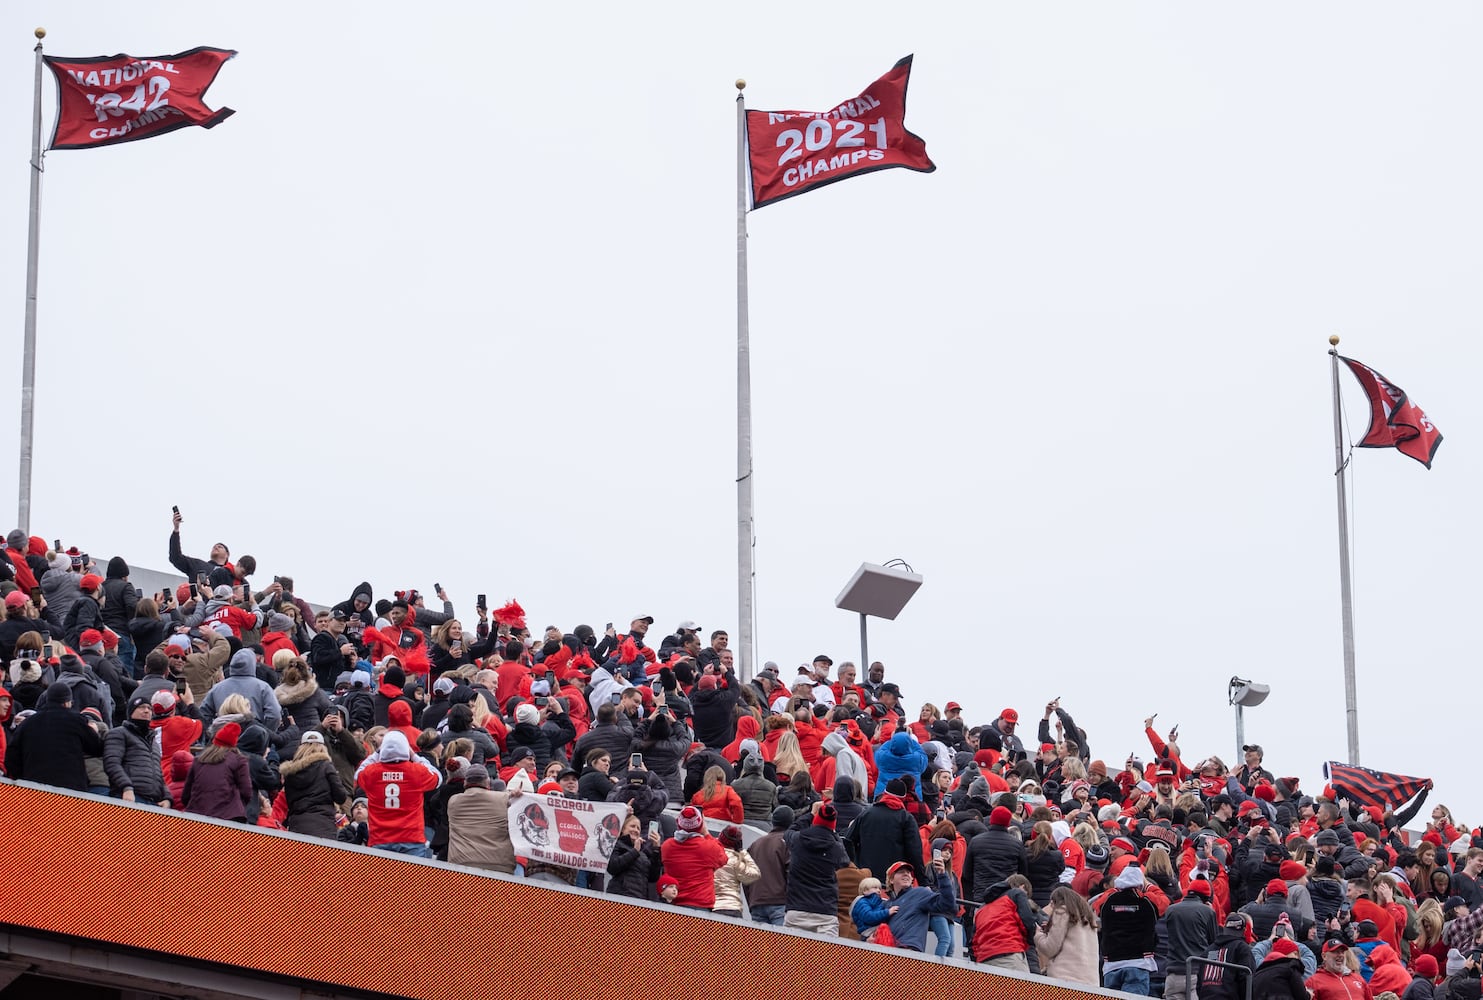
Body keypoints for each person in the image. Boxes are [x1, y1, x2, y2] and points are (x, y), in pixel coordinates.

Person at [354, 730, 443, 857]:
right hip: (411, 838)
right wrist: (415, 756)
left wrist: (376, 754)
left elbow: (358, 774)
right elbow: (438, 777)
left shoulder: (372, 773)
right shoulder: (415, 772)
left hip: (380, 838)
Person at [4, 680, 103, 791]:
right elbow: (97, 749)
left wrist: (23, 778)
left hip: (34, 789)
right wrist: (93, 731)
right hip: (71, 789)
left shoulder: (28, 723)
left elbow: (11, 757)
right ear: (67, 702)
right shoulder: (76, 720)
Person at [844, 777, 927, 886]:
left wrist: (855, 865)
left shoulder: (866, 813)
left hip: (866, 878)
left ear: (884, 793)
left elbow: (848, 840)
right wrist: (924, 883)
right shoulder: (906, 818)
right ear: (903, 797)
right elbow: (915, 853)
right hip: (892, 880)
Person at [785, 803, 851, 936]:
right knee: (825, 956)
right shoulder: (835, 847)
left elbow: (788, 832)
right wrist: (833, 833)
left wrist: (810, 815)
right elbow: (845, 861)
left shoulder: (798, 839)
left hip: (797, 908)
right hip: (825, 912)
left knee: (790, 956)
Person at [1100, 864, 1160, 995]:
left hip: (1111, 964)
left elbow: (1096, 906)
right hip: (1138, 963)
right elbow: (1164, 901)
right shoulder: (1146, 902)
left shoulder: (1107, 902)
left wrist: (1115, 889)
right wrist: (1149, 886)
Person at [446, 765, 516, 873]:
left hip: (462, 863)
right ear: (487, 781)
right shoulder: (503, 798)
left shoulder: (453, 801)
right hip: (499, 865)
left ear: (465, 782)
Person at [882, 855, 959, 953]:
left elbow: (947, 905)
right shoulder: (886, 905)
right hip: (888, 953)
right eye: (901, 872)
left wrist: (942, 875)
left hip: (910, 952)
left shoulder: (920, 893)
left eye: (909, 873)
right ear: (891, 880)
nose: (906, 874)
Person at [103, 694, 168, 806]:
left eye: (149, 708)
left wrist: (167, 797)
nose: (146, 711)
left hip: (154, 802)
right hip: (129, 797)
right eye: (141, 707)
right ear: (131, 711)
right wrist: (126, 787)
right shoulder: (119, 733)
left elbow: (158, 773)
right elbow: (112, 763)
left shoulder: (153, 742)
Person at [279, 730, 346, 838]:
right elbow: (341, 797)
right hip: (323, 826)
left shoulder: (289, 773)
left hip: (297, 826)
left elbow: (289, 801)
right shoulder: (326, 766)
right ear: (323, 747)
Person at [182, 722, 254, 821]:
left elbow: (186, 794)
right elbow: (246, 791)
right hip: (229, 817)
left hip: (197, 816)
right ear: (233, 744)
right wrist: (236, 806)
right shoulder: (239, 760)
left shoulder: (198, 760)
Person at [660, 805, 727, 911]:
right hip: (700, 905)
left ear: (678, 823)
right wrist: (706, 833)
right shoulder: (708, 847)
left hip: (674, 904)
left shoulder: (667, 846)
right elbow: (723, 858)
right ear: (701, 824)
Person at [974, 874, 1042, 971]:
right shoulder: (1017, 894)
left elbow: (973, 940)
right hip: (1010, 952)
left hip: (984, 959)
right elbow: (1027, 921)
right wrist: (1030, 940)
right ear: (1023, 887)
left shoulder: (981, 908)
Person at [1165, 878, 1219, 1000]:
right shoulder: (1208, 912)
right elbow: (1214, 945)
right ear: (1206, 898)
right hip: (1197, 975)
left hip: (1173, 974)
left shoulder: (1170, 910)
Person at [1037, 885, 1102, 985]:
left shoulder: (1061, 912)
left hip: (1065, 981)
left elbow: (1050, 948)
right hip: (1090, 983)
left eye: (1052, 904)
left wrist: (1038, 934)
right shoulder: (1089, 919)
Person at [963, 805, 1029, 903]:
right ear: (1008, 822)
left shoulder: (976, 841)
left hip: (981, 894)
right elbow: (1023, 873)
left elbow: (967, 873)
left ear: (991, 819)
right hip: (1006, 897)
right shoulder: (1017, 844)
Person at [747, 806, 793, 926]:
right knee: (780, 943)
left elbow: (745, 876)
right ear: (791, 822)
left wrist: (751, 900)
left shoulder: (755, 844)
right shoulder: (787, 842)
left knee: (760, 944)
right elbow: (791, 873)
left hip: (756, 902)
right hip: (779, 903)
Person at [606, 814, 663, 899]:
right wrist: (635, 851)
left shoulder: (642, 853)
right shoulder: (616, 844)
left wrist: (656, 849)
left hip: (639, 900)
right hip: (620, 897)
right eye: (632, 826)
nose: (636, 830)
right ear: (623, 829)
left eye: (638, 828)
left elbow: (653, 877)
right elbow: (612, 867)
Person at [713, 825, 761, 917]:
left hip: (712, 907)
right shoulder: (736, 861)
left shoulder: (709, 854)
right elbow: (755, 874)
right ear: (737, 843)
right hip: (732, 908)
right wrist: (742, 851)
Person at [1306, 939, 1374, 1000]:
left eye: (1342, 952)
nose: (1340, 955)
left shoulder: (1357, 978)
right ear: (1324, 956)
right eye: (1336, 952)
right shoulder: (1313, 982)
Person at [1252, 936, 1311, 1000]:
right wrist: (1309, 994)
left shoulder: (1258, 974)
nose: (1299, 959)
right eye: (1296, 954)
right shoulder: (1290, 967)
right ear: (1295, 953)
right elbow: (1302, 997)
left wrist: (1269, 940)